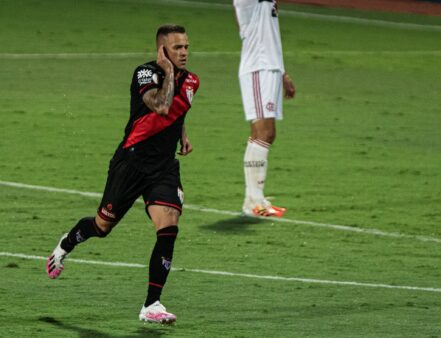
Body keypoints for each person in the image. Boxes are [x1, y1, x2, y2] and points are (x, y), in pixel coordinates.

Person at [46, 24, 199, 324]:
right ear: (162, 50)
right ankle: (67, 243)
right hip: (131, 163)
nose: (184, 53)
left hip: (163, 168)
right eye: (177, 48)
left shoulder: (192, 80)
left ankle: (151, 304)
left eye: (186, 47)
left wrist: (182, 133)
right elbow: (162, 106)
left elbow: (177, 111)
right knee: (102, 226)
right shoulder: (145, 73)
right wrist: (166, 71)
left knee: (168, 226)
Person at [234, 0, 296, 217]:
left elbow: (271, 38)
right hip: (257, 68)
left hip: (270, 68)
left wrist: (282, 72)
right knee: (264, 132)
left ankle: (255, 199)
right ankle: (253, 202)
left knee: (266, 134)